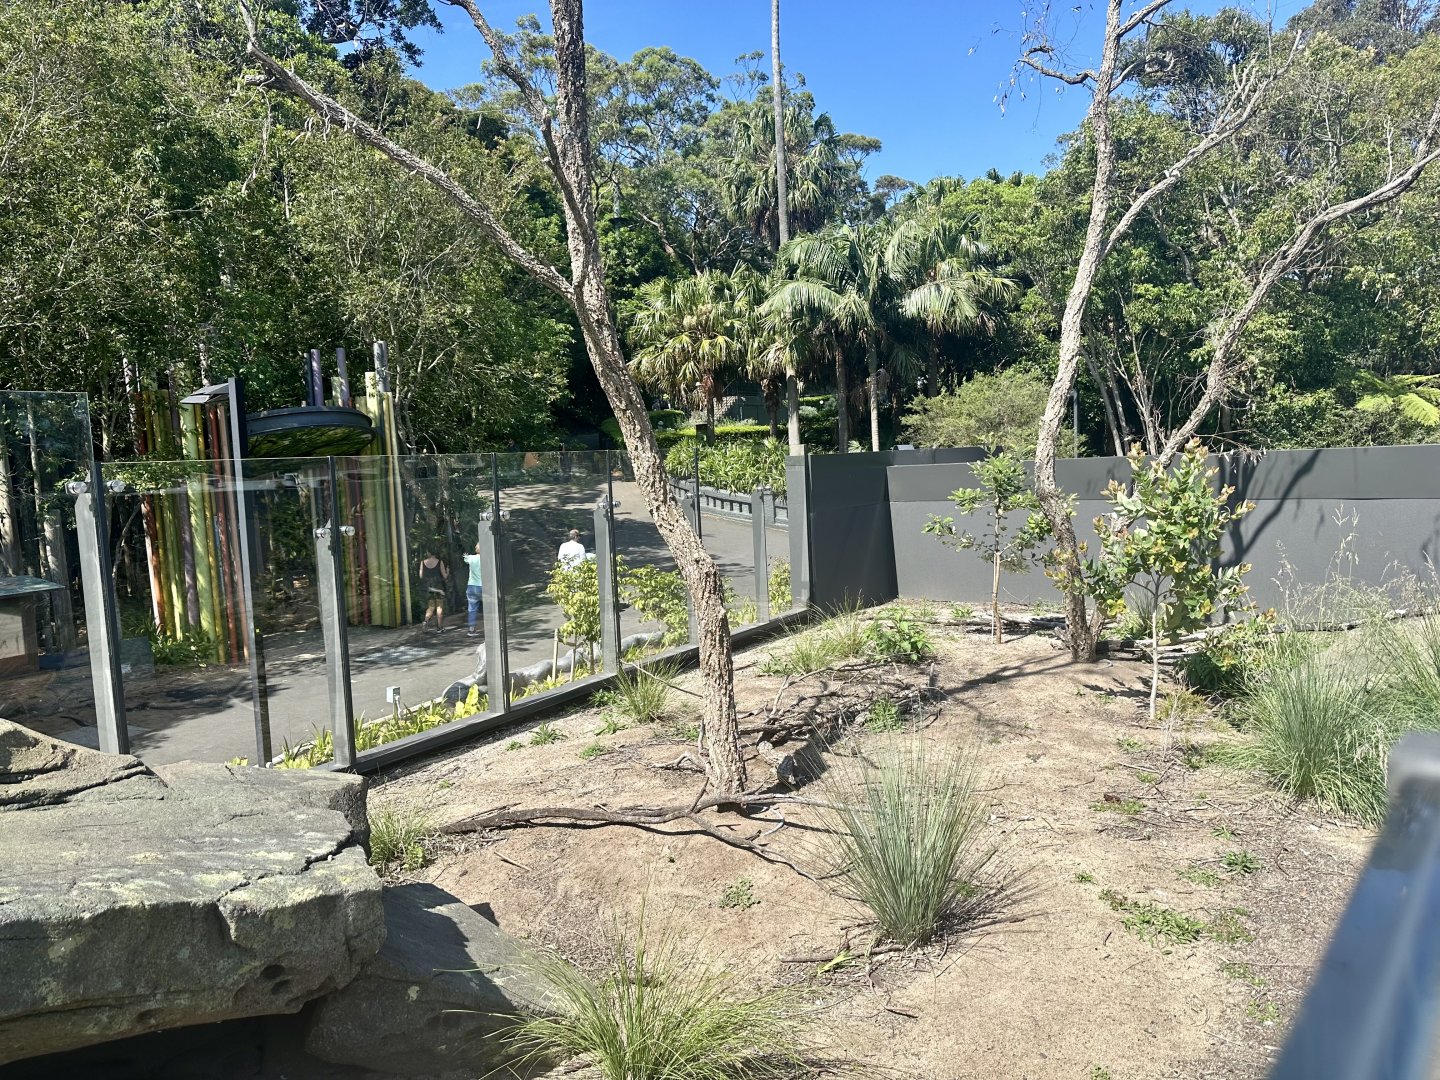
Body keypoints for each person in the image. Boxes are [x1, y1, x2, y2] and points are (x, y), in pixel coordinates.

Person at [418, 549, 449, 632]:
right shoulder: (439, 562)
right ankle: (439, 627)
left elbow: (421, 576)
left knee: (431, 607)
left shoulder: (422, 562)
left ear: (429, 552)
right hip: (438, 587)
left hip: (429, 587)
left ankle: (425, 621)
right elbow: (445, 576)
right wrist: (447, 571)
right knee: (439, 607)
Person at [462, 542, 484, 637]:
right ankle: (493, 626)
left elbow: (465, 558)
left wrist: (465, 555)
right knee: (490, 606)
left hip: (471, 585)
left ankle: (471, 629)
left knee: (472, 609)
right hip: (483, 585)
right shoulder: (486, 558)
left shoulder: (471, 558)